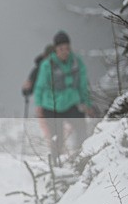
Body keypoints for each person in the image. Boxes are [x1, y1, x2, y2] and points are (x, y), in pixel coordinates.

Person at [33, 31, 93, 160]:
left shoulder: (77, 62)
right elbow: (40, 86)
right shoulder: (47, 64)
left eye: (67, 48)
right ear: (56, 49)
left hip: (72, 103)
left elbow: (83, 85)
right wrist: (38, 105)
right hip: (51, 105)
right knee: (56, 138)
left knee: (81, 130)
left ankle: (81, 157)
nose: (65, 52)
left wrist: (87, 103)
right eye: (61, 49)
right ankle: (56, 163)